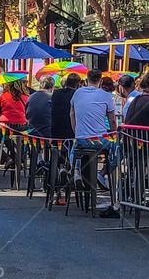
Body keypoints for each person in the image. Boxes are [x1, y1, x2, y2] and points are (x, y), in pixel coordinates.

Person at [70, 69, 118, 217]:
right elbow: (111, 120)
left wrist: (77, 132)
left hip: (81, 139)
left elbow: (72, 114)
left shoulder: (77, 93)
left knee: (75, 149)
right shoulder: (105, 95)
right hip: (99, 140)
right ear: (100, 81)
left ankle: (76, 171)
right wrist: (114, 135)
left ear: (86, 79)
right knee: (118, 148)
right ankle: (104, 173)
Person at [50, 73, 79, 139]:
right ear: (78, 84)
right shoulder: (76, 94)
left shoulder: (56, 93)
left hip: (55, 131)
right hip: (70, 132)